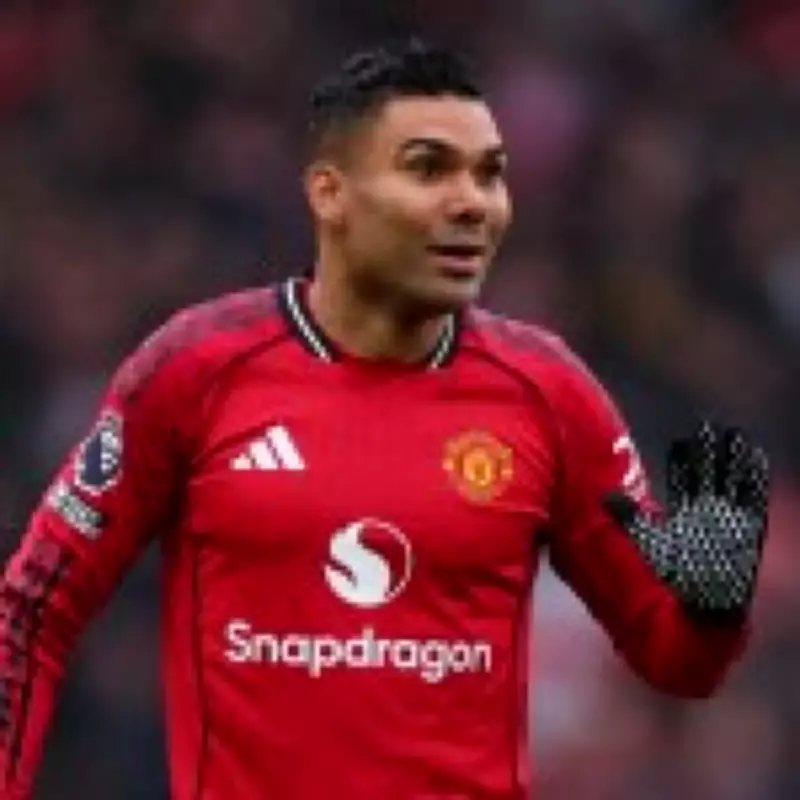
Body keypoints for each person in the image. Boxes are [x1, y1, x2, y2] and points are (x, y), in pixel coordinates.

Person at [0, 39, 770, 799]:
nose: (471, 202)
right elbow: (33, 610)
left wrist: (714, 607)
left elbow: (678, 664)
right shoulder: (195, 371)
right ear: (330, 193)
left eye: (489, 174)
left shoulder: (549, 394)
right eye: (429, 169)